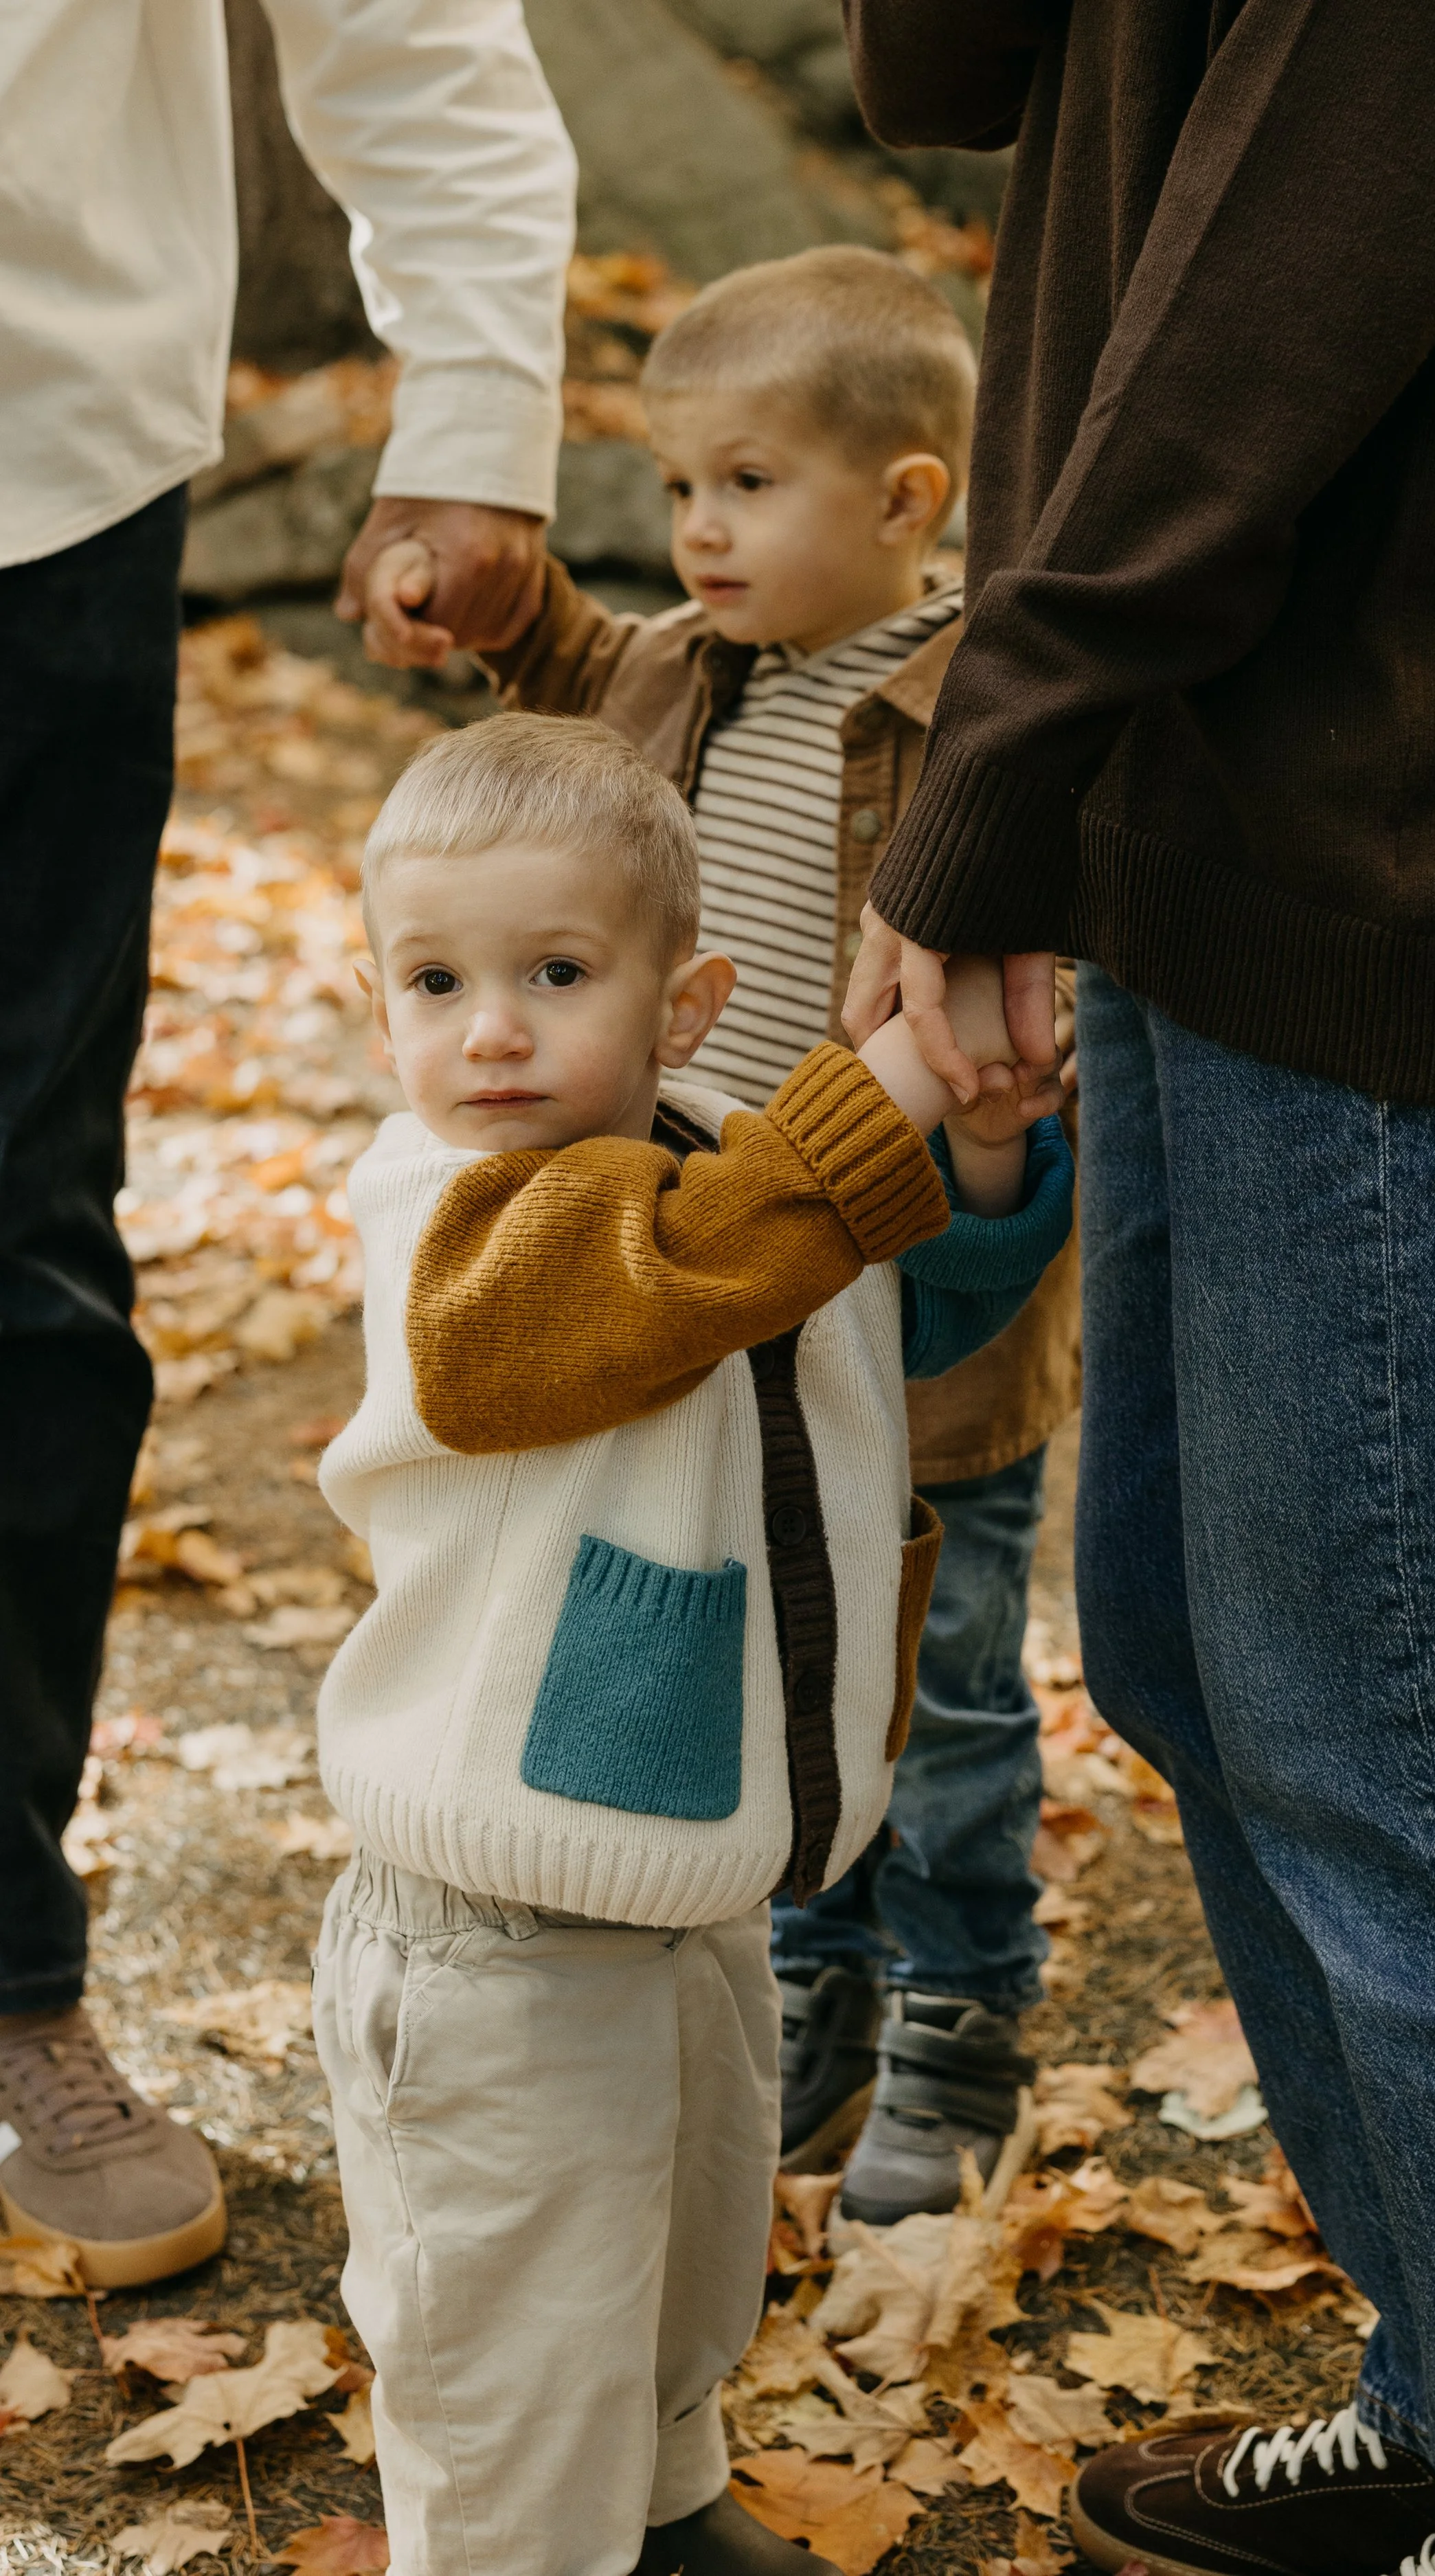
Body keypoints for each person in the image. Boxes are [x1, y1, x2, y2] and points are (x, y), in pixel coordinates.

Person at [839, 5, 1435, 2575]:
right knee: (1210, 1652)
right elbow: (954, 66)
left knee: (1432, 1745)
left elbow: (1270, 301)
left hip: (1374, 793)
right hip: (1201, 777)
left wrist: (992, 774)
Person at [357, 244, 1082, 2223]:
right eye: (679, 485)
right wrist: (490, 584)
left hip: (914, 1281)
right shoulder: (676, 660)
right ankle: (815, 1976)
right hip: (702, 1288)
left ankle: (954, 2008)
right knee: (772, 1641)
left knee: (937, 1673)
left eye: (747, 484)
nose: (696, 525)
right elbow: (564, 688)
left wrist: (993, 1135)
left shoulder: (980, 719)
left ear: (908, 502)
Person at [307, 712, 1072, 2576]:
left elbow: (910, 1272)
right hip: (493, 1903)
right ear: (379, 1000)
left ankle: (659, 2503)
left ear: (683, 1001)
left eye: (553, 974)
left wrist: (968, 1149)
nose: (489, 1028)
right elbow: (634, 1281)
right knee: (516, 2319)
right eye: (437, 979)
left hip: (699, 1853)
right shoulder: (448, 1220)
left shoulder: (734, 1161)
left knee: (678, 2240)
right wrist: (869, 1097)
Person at [0, 0, 572, 2287]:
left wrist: (474, 410)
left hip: (33, 480)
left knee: (13, 1244)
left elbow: (408, 19)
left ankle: (6, 1974)